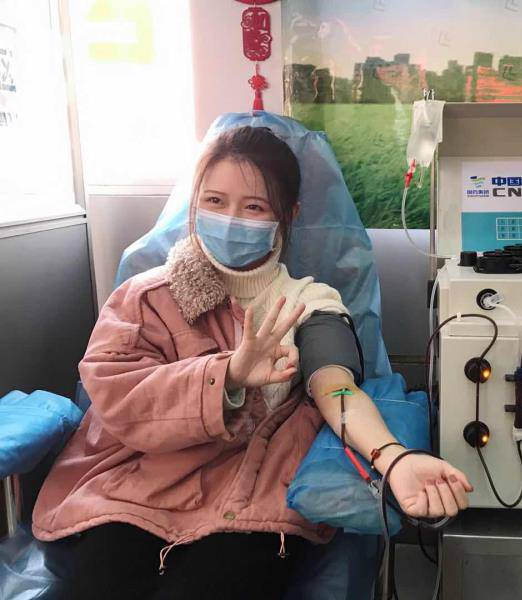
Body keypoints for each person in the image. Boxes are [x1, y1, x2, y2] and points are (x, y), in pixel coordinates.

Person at [32, 126, 473, 600]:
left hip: (248, 502)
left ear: (288, 215)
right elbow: (118, 398)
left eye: (254, 207)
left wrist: (395, 459)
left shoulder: (307, 303)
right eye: (215, 201)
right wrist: (229, 374)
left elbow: (337, 389)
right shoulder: (146, 297)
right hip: (133, 490)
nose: (230, 219)